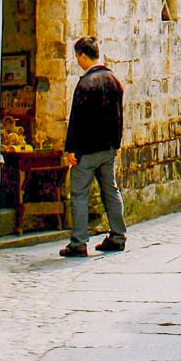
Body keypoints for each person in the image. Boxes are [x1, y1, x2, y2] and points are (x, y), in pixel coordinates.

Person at [59, 36, 127, 258]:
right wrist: (117, 142)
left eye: (77, 56)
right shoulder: (114, 81)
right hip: (108, 149)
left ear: (82, 55)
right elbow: (119, 116)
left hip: (86, 151)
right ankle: (118, 236)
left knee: (79, 194)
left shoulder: (85, 84)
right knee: (111, 190)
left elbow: (76, 119)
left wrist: (70, 149)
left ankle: (78, 242)